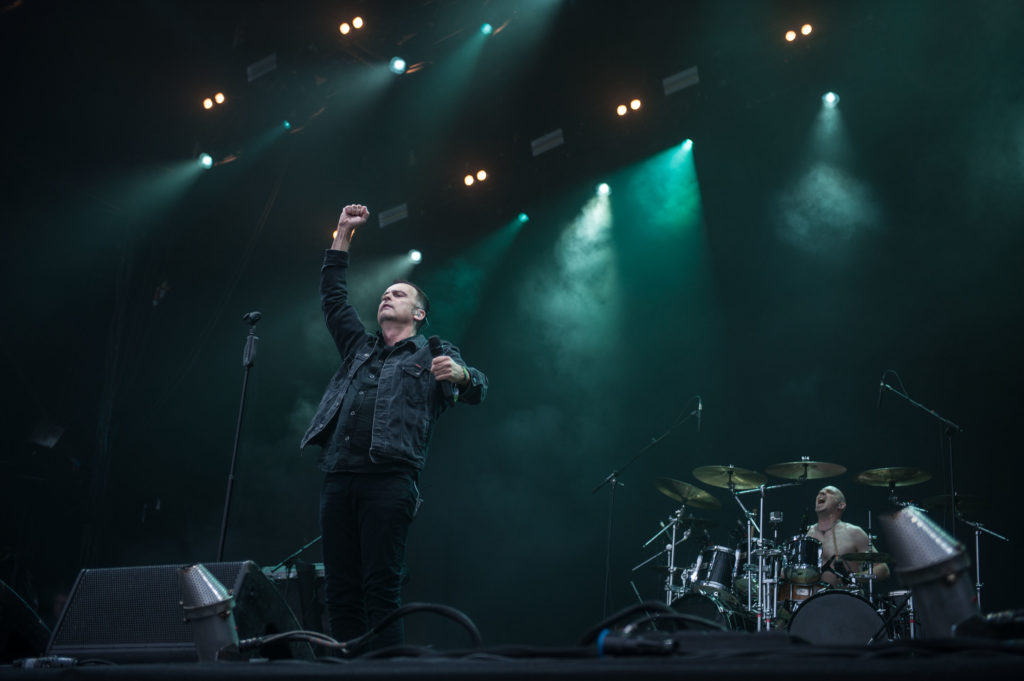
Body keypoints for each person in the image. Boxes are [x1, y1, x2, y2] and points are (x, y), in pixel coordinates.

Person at [300, 204, 488, 650]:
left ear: (419, 314)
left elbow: (479, 386)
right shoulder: (358, 348)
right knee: (339, 591)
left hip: (389, 480)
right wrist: (342, 233)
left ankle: (388, 673)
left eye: (400, 294)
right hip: (339, 476)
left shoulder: (433, 352)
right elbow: (333, 299)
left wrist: (461, 376)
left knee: (381, 590)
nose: (388, 296)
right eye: (385, 293)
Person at [806, 486, 889, 588]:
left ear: (841, 505)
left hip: (847, 598)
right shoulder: (806, 533)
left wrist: (854, 578)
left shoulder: (854, 532)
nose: (822, 493)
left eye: (829, 492)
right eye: (820, 492)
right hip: (813, 601)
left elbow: (883, 569)